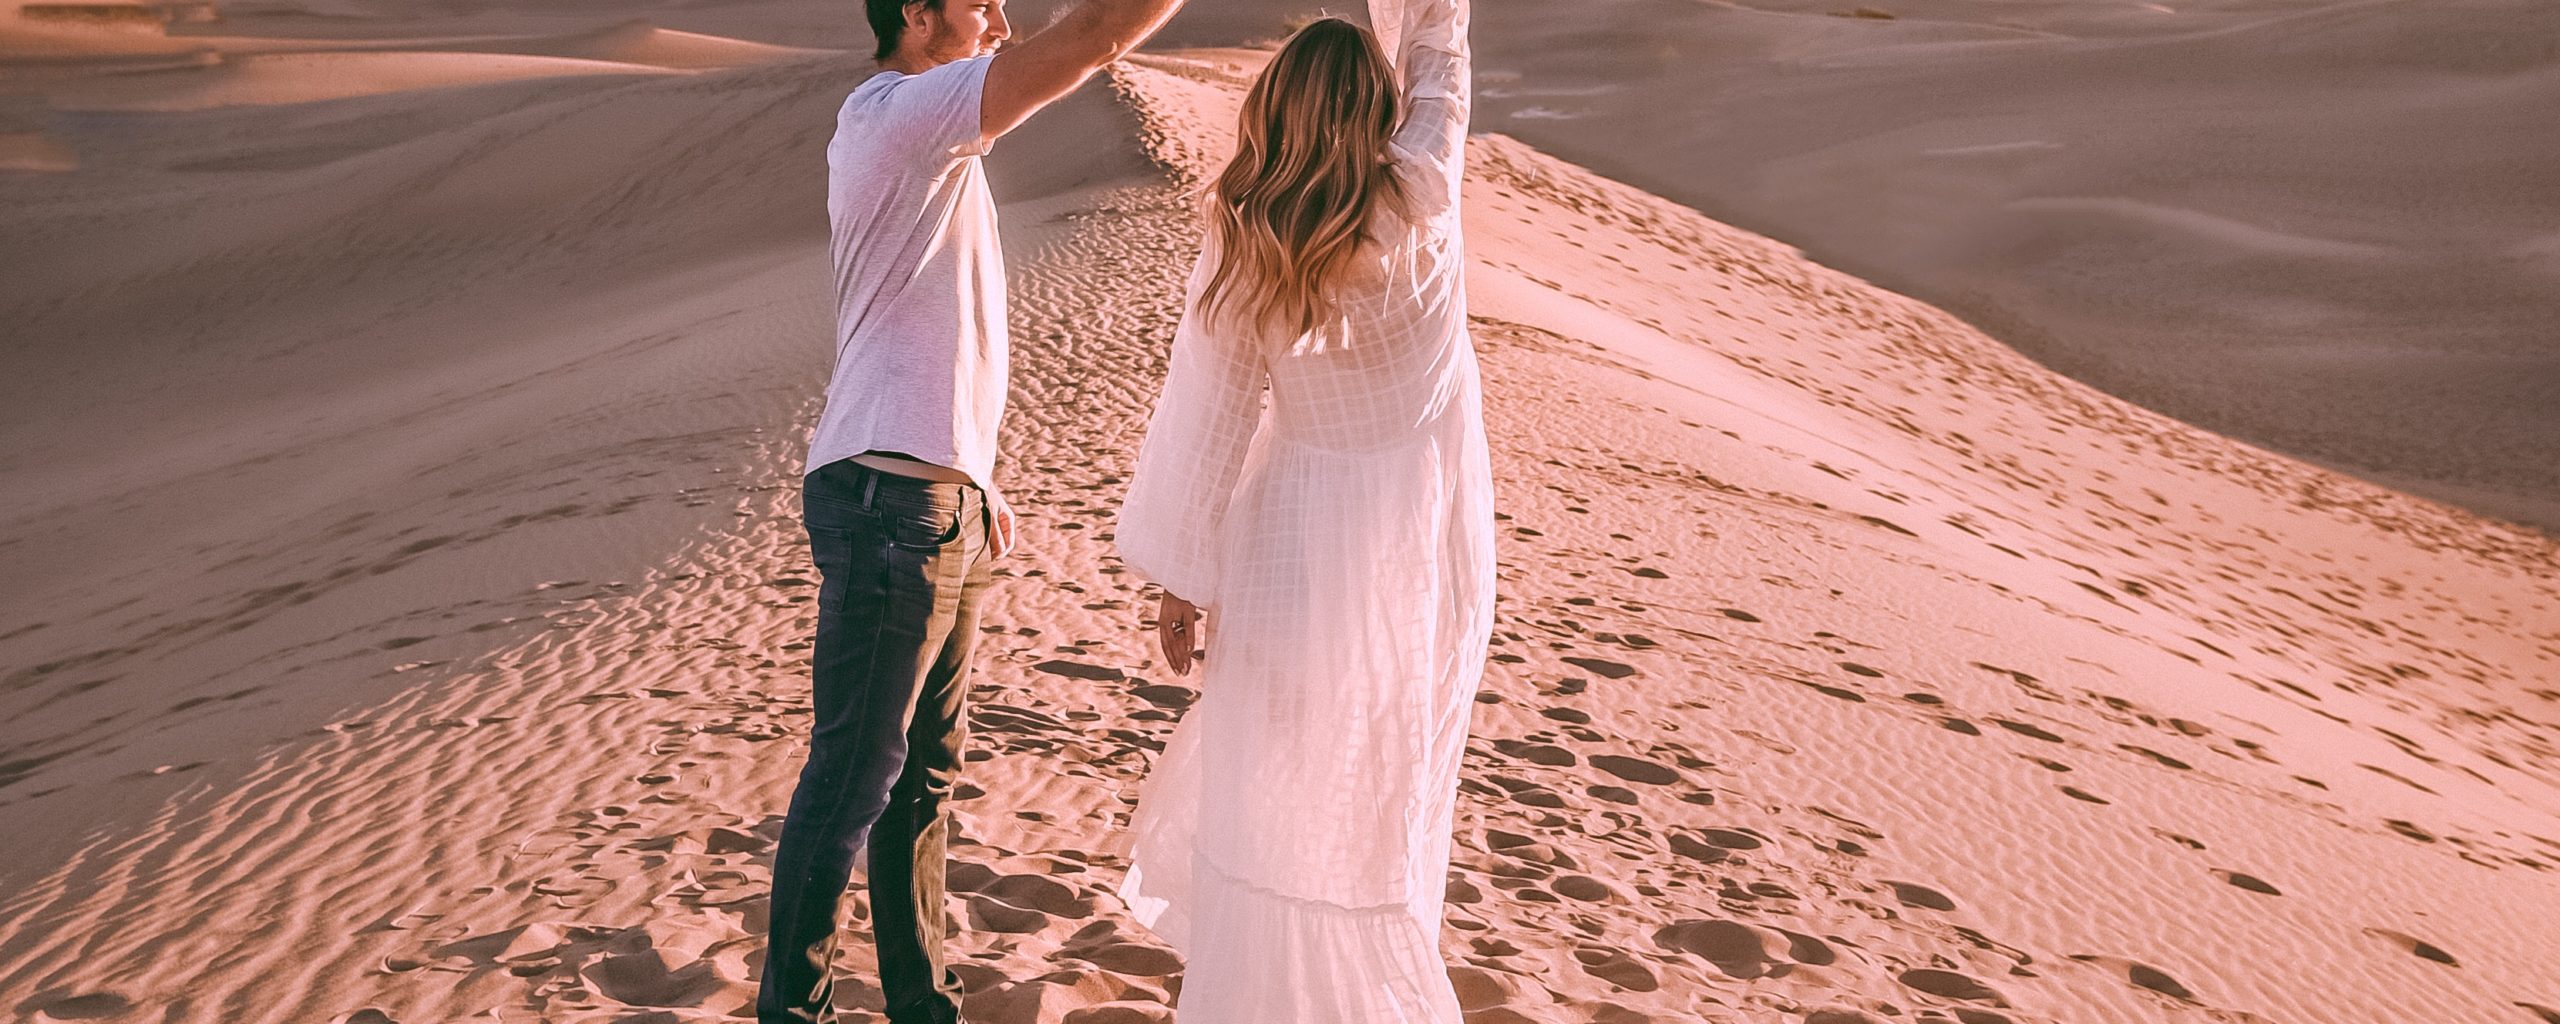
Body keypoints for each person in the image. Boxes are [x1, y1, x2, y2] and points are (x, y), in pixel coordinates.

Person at [759, 0, 1190, 1020]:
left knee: (919, 784)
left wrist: (978, 484)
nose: (999, 16)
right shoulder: (895, 111)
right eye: (978, 0)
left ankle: (923, 1005)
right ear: (917, 15)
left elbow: (942, 330)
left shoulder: (927, 133)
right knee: (856, 776)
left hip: (936, 499)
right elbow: (1089, 39)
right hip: (887, 502)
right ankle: (792, 1010)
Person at [1110, 0, 1489, 1018]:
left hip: (1284, 545)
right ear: (1378, 115)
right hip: (1407, 544)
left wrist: (1183, 580)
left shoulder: (1247, 244)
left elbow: (1210, 417)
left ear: (1270, 110)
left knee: (1268, 780)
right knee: (1379, 776)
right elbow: (1442, 64)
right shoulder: (1423, 199)